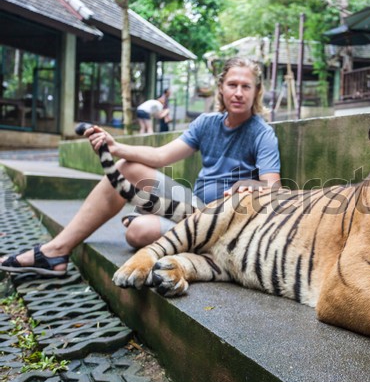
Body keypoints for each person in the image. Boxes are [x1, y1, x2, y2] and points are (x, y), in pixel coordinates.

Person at [0, 57, 281, 277]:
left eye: (246, 86)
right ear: (221, 87)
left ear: (256, 91)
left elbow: (273, 188)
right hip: (194, 207)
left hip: (221, 222)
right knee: (126, 168)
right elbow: (160, 156)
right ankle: (56, 251)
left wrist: (251, 186)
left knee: (138, 233)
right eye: (233, 84)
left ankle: (151, 209)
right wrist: (115, 146)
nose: (239, 92)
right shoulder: (206, 123)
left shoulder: (261, 132)